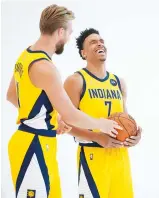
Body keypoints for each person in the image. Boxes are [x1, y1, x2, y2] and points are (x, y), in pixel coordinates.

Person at [6, 5, 121, 198]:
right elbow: (70, 114)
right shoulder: (46, 68)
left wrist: (46, 118)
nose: (68, 38)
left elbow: (12, 95)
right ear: (60, 31)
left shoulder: (25, 56)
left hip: (37, 141)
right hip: (34, 145)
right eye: (69, 33)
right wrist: (102, 124)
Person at [63, 28, 142, 198]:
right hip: (92, 154)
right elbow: (64, 124)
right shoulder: (75, 81)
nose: (99, 43)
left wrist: (134, 136)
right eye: (93, 42)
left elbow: (125, 118)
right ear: (83, 53)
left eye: (101, 41)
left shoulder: (118, 82)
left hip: (120, 157)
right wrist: (97, 137)